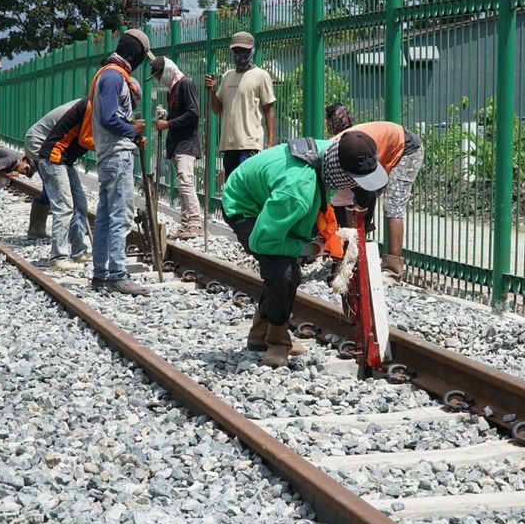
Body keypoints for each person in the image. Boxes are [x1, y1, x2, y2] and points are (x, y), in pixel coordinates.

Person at [221, 129, 388, 367]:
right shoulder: (297, 191)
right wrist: (311, 249)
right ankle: (278, 342)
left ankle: (259, 336)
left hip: (272, 201)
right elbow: (262, 241)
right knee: (283, 271)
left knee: (288, 264)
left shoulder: (330, 154)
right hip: (245, 207)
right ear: (342, 175)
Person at [78, 29, 151, 295]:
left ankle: (100, 274)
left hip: (111, 154)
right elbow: (110, 118)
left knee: (106, 218)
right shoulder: (112, 77)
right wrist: (132, 130)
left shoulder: (109, 75)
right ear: (135, 55)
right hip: (117, 156)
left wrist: (131, 130)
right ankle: (118, 274)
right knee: (120, 216)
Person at [325, 108, 425, 283]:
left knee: (393, 206)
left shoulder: (339, 159)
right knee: (359, 202)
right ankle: (357, 256)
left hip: (405, 149)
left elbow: (350, 205)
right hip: (379, 154)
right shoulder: (332, 156)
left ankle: (392, 272)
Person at [204, 31, 276, 182]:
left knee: (245, 187)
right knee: (231, 187)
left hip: (250, 144)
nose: (239, 55)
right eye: (236, 51)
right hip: (229, 145)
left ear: (252, 51)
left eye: (243, 51)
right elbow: (217, 109)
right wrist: (211, 90)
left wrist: (270, 143)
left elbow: (269, 110)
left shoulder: (261, 75)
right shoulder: (227, 76)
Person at [36, 98, 92, 270]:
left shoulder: (102, 108)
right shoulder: (92, 106)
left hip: (65, 161)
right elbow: (85, 139)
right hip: (53, 158)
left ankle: (78, 251)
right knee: (64, 206)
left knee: (80, 205)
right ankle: (58, 257)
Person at [150, 56, 202, 239]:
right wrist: (165, 119)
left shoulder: (185, 84)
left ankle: (195, 223)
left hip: (187, 142)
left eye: (158, 75)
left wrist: (169, 123)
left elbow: (194, 113)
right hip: (177, 143)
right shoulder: (171, 90)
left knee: (185, 180)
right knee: (182, 183)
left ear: (167, 71)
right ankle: (185, 224)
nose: (158, 80)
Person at [23, 101, 75, 240]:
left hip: (49, 144)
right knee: (55, 188)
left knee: (51, 188)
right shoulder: (84, 109)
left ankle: (36, 229)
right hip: (39, 142)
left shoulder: (87, 105)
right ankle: (43, 233)